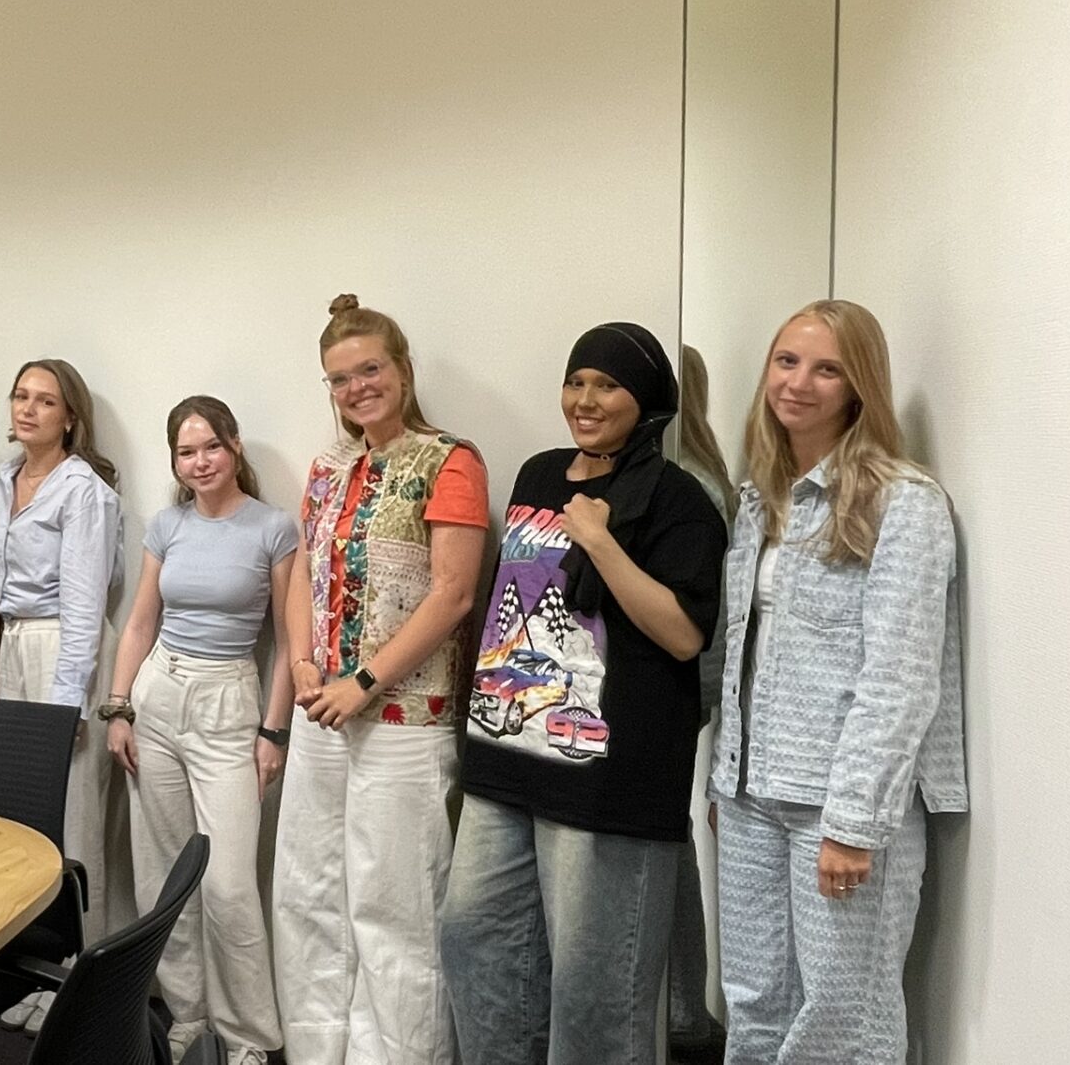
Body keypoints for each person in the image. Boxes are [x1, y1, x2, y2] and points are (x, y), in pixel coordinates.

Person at [438, 324, 728, 1065]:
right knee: (474, 942)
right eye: (576, 382)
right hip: (507, 756)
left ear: (649, 400)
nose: (585, 400)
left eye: (608, 385)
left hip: (607, 780)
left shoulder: (680, 500)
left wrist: (600, 540)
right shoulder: (539, 474)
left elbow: (684, 635)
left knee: (594, 992)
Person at [709, 300, 967, 1065]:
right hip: (752, 796)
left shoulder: (903, 502)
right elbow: (746, 651)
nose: (798, 383)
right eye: (786, 361)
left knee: (840, 1019)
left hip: (839, 806)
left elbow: (901, 674)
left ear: (860, 388)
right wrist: (728, 777)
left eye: (827, 369)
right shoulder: (760, 498)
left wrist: (853, 822)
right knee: (753, 1006)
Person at [275, 294, 488, 1065]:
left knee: (395, 911)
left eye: (370, 370)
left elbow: (453, 595)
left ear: (402, 369)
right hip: (320, 713)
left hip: (404, 719)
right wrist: (303, 662)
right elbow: (304, 572)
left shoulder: (450, 461)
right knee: (309, 895)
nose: (357, 388)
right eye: (340, 379)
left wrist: (362, 682)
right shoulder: (327, 469)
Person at [101, 396, 297, 1065]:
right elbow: (139, 624)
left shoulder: (273, 528)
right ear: (175, 462)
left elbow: (288, 643)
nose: (200, 461)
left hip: (227, 702)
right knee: (164, 875)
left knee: (229, 885)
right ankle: (187, 1015)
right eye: (186, 452)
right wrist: (119, 708)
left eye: (211, 446)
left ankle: (248, 1038)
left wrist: (273, 733)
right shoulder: (167, 525)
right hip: (157, 697)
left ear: (234, 445)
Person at [0, 358, 129, 1032]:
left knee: (75, 817)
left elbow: (85, 602)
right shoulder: (5, 479)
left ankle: (78, 983)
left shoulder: (82, 490)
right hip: (19, 643)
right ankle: (40, 966)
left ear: (69, 417)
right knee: (30, 819)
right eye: (21, 395)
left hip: (65, 649)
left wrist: (67, 700)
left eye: (45, 400)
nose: (29, 408)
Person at [666, 344, 736, 1063]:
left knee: (666, 836)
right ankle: (684, 1006)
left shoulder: (691, 484)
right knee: (672, 834)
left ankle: (684, 1009)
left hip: (681, 685)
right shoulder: (703, 472)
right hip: (692, 687)